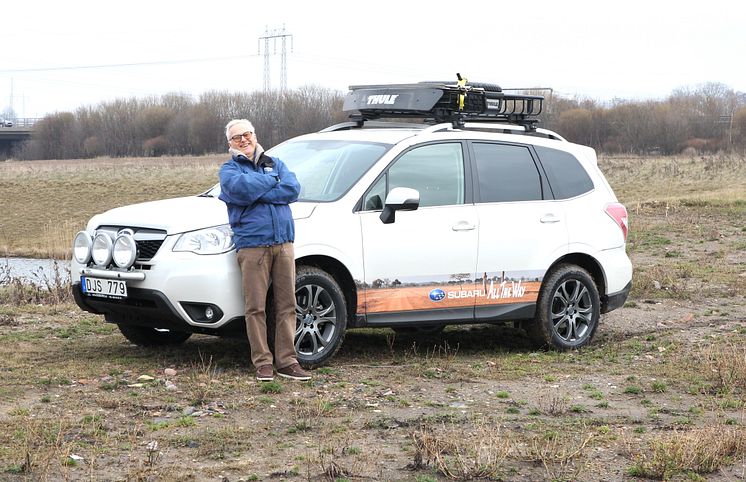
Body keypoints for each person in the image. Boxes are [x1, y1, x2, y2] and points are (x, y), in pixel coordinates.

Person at [218, 119, 311, 382]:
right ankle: (263, 363)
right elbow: (240, 190)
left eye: (247, 134)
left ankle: (287, 361)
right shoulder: (228, 170)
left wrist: (259, 186)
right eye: (237, 137)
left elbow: (292, 188)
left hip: (283, 244)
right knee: (255, 307)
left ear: (255, 135)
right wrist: (271, 182)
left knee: (287, 305)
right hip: (253, 246)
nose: (243, 140)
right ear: (230, 143)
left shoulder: (276, 163)